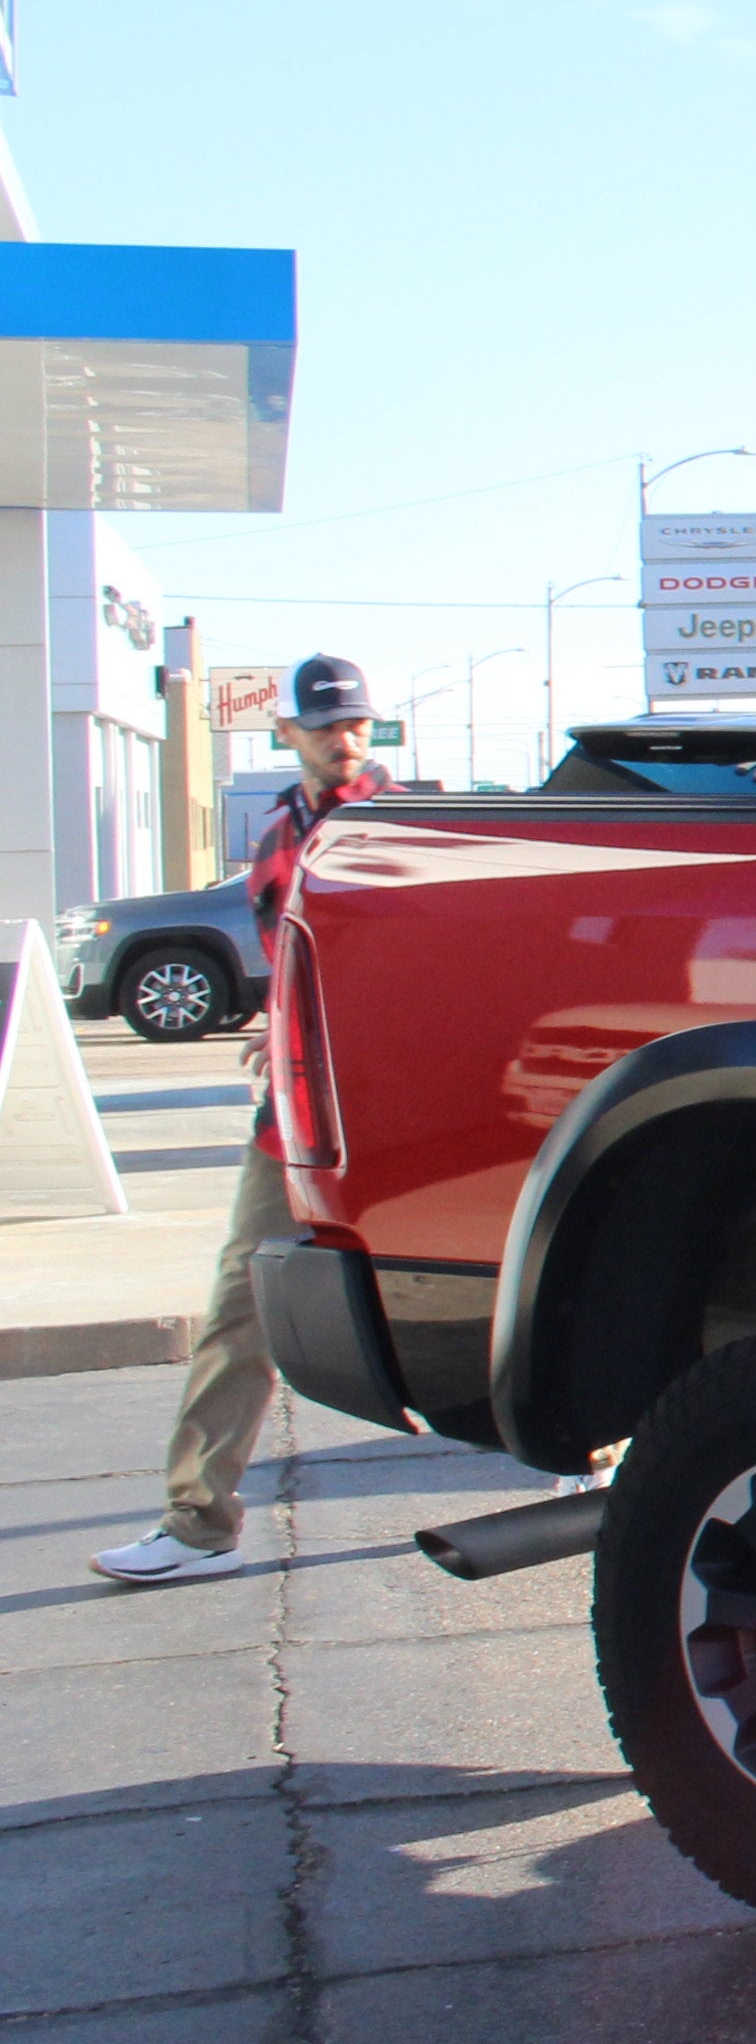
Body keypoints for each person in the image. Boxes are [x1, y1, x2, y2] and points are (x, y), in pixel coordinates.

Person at [92, 654, 389, 1586]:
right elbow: (295, 959)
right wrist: (280, 1023)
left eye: (356, 725)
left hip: (402, 1110)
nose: (343, 741)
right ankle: (198, 1520)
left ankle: (604, 1458)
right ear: (288, 735)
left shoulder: (405, 829)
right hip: (298, 1116)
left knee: (506, 1286)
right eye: (324, 726)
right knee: (240, 1304)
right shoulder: (278, 840)